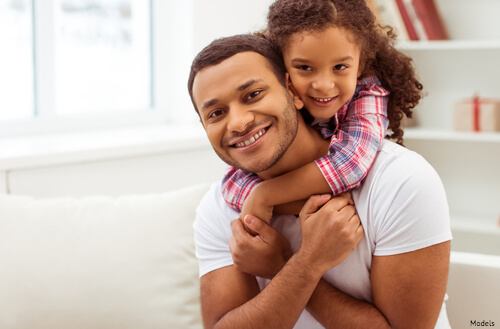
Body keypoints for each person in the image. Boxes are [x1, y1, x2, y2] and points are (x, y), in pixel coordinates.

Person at [188, 33, 452, 328]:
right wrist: (304, 265)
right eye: (216, 113)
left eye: (253, 95)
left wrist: (284, 265)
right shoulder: (219, 208)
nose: (238, 122)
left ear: (292, 90)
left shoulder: (401, 182)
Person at [220, 0, 423, 225]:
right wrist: (297, 202)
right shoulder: (274, 103)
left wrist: (265, 195)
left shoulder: (368, 91)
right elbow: (232, 184)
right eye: (305, 68)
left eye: (340, 67)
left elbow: (350, 165)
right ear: (281, 66)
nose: (324, 85)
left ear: (360, 63)